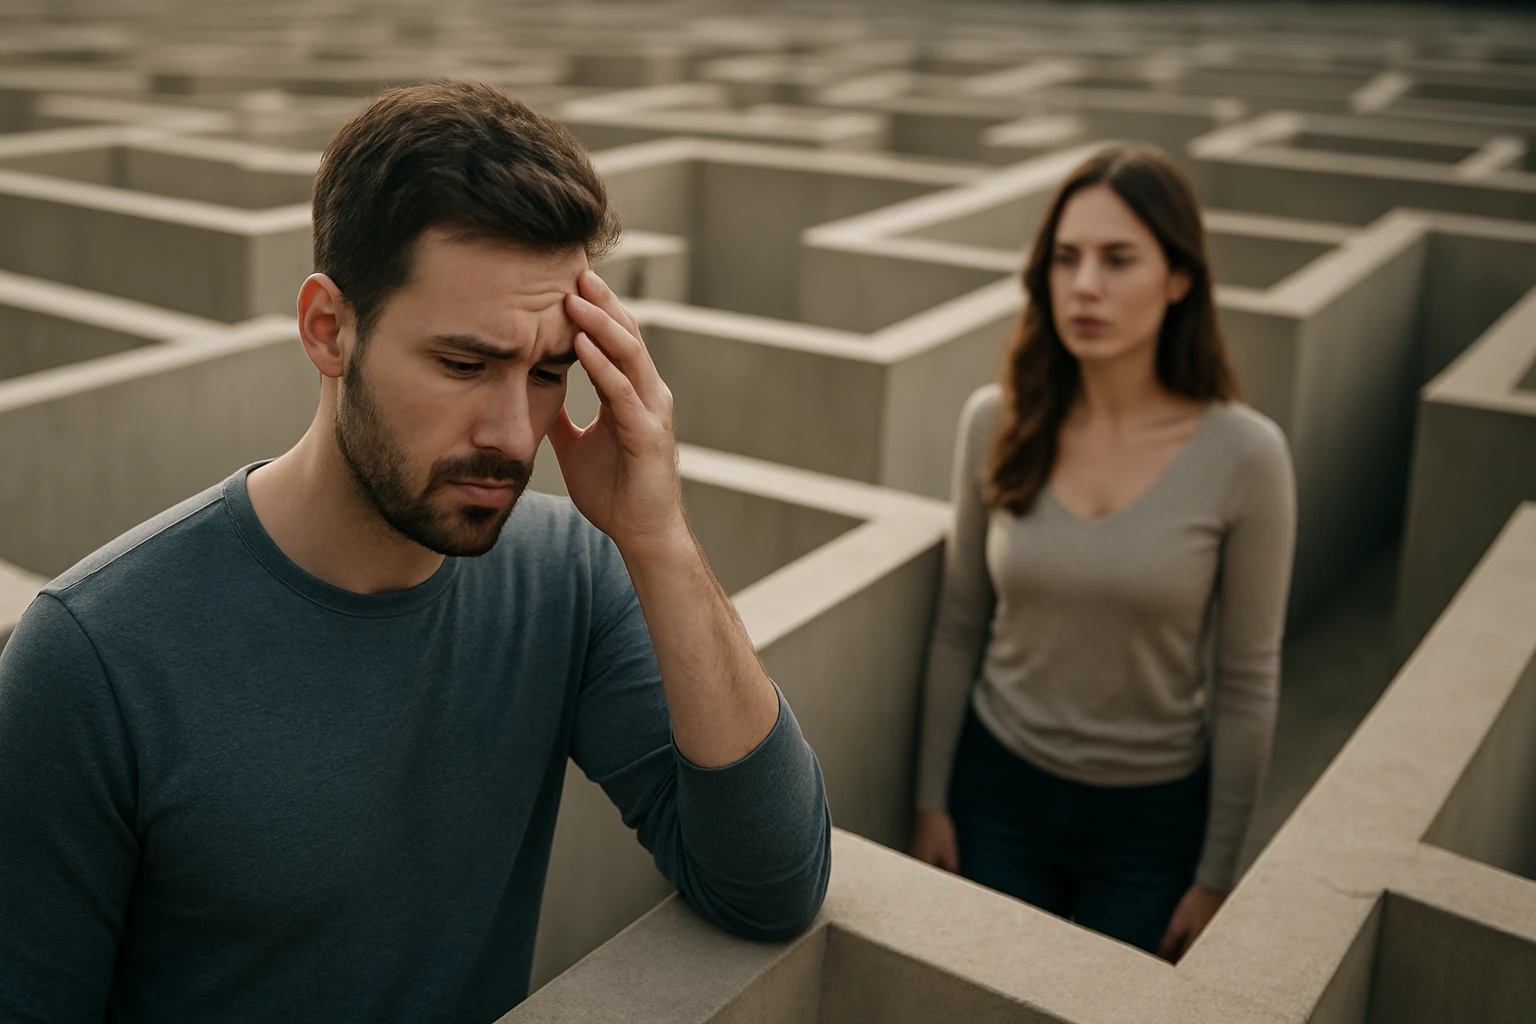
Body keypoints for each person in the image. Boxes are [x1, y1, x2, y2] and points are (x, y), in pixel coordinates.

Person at [0, 80, 830, 1022]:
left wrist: (659, 536)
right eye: (465, 364)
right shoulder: (91, 659)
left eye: (549, 372)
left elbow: (769, 887)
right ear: (328, 329)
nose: (513, 435)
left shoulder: (571, 575)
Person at [910, 144, 1296, 962]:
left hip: (1152, 823)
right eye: (1066, 258)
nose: (1085, 284)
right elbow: (958, 624)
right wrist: (931, 801)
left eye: (1118, 259)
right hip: (997, 791)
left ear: (1179, 277)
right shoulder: (995, 422)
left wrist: (1218, 874)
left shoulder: (1247, 457)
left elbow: (1247, 680)